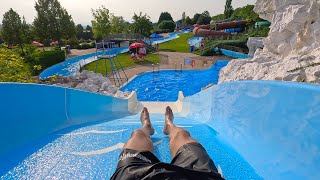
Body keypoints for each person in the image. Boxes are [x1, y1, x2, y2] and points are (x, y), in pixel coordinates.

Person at [111, 106, 224, 180]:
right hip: (198, 176)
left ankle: (147, 126)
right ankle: (169, 125)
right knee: (182, 135)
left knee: (137, 134)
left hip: (132, 177)